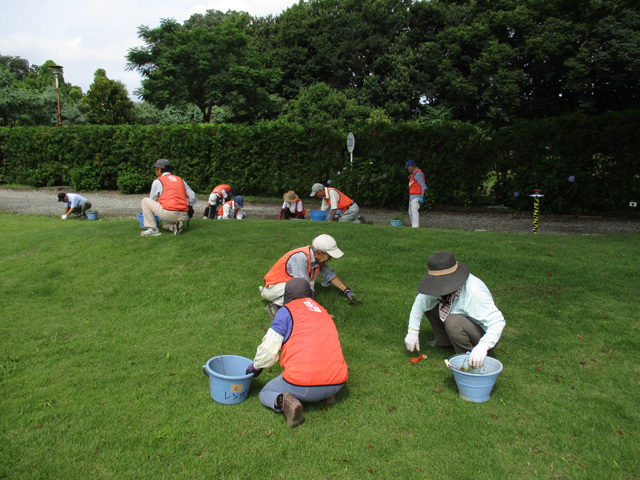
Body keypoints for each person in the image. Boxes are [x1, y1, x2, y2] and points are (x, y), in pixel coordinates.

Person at [246, 278, 348, 428]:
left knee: (265, 393)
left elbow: (269, 348)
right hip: (338, 381)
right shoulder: (322, 311)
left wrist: (256, 367)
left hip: (302, 384)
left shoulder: (286, 312)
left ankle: (287, 402)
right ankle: (327, 395)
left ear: (287, 297)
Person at [404, 251, 505, 368]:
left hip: (480, 335)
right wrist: (413, 331)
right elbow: (420, 302)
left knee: (453, 322)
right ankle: (444, 342)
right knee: (430, 304)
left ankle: (467, 358)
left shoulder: (475, 292)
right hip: (459, 322)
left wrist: (482, 347)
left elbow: (498, 322)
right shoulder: (439, 290)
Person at [260, 234, 360, 318]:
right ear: (319, 253)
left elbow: (330, 276)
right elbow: (303, 288)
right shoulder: (300, 258)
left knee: (302, 291)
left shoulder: (317, 258)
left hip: (285, 285)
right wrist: (319, 313)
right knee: (300, 291)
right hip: (272, 288)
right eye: (329, 256)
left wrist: (347, 291)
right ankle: (275, 306)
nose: (330, 259)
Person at [140, 159, 197, 236]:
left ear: (159, 169)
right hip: (183, 215)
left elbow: (152, 200)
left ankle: (153, 229)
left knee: (145, 201)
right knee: (165, 225)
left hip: (169, 214)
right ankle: (175, 227)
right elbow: (192, 195)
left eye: (155, 169)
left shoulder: (158, 181)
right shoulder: (180, 179)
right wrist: (190, 207)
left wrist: (151, 216)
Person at [406, 160, 427, 228]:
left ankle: (415, 226)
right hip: (412, 196)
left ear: (413, 166)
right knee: (411, 212)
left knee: (414, 211)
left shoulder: (418, 174)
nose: (408, 170)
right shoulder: (414, 173)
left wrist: (422, 197)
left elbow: (423, 186)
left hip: (416, 196)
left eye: (408, 168)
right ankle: (413, 225)